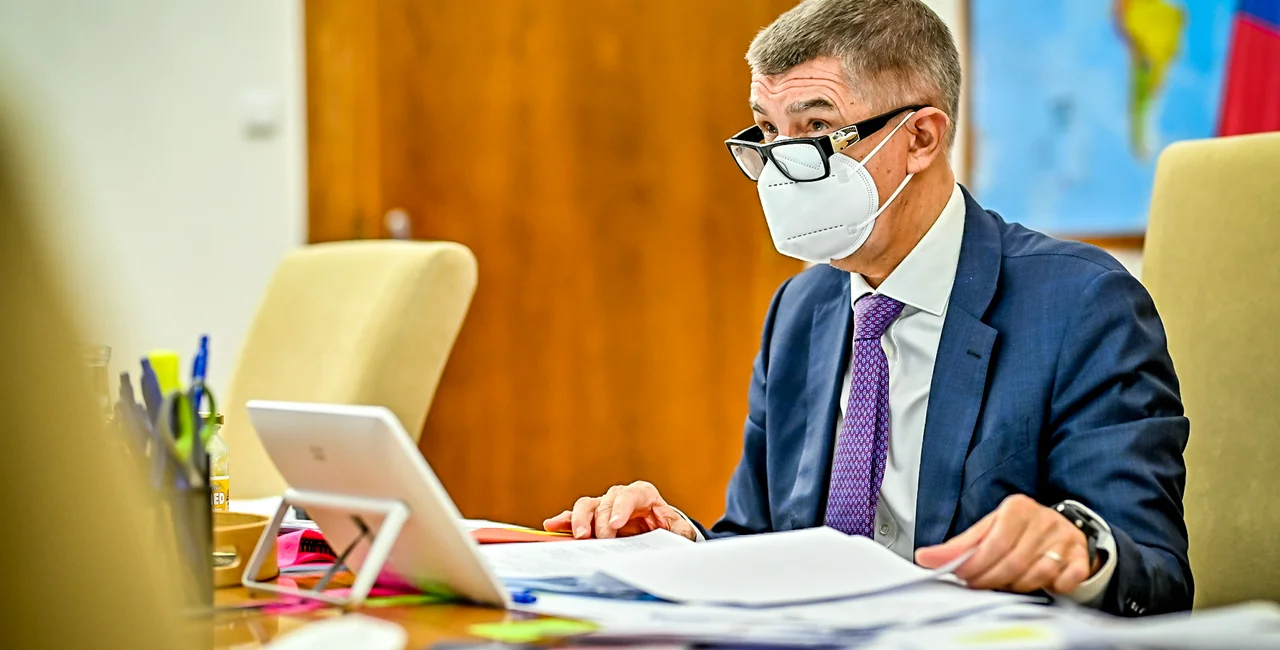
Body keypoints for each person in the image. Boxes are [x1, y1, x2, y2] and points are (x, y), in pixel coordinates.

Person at [543, 0, 1191, 617]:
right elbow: (761, 541)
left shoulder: (1080, 304)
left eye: (817, 129)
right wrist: (677, 543)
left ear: (922, 139)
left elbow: (1156, 581)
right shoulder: (801, 309)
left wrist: (1079, 550)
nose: (778, 170)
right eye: (768, 132)